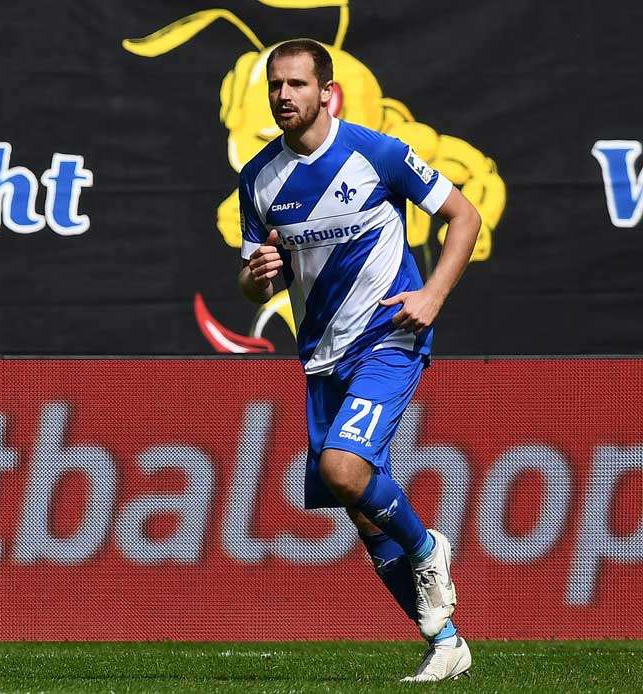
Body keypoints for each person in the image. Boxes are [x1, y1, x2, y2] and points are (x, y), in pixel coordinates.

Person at [236, 39, 481, 682]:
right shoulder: (258, 178)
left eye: (295, 84)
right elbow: (252, 277)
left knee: (345, 471)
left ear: (326, 91)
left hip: (388, 337)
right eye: (276, 85)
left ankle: (429, 549)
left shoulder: (376, 153)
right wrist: (256, 277)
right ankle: (445, 640)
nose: (284, 96)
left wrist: (433, 294)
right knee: (362, 510)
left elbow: (464, 215)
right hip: (321, 356)